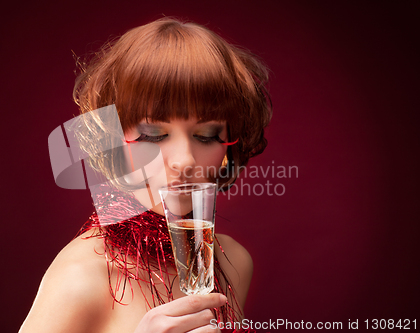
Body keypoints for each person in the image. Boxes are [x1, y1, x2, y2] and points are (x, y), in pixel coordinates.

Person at [19, 17, 271, 333]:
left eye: (207, 134)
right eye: (152, 135)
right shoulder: (81, 277)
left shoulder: (233, 264)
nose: (184, 160)